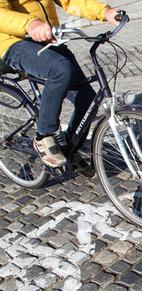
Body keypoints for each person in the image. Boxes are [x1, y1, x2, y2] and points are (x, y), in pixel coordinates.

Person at [0, 0, 122, 172]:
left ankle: (68, 149)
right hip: (12, 42)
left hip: (48, 38)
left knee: (88, 100)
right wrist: (31, 24)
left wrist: (105, 12)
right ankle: (43, 136)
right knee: (60, 68)